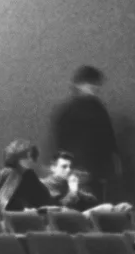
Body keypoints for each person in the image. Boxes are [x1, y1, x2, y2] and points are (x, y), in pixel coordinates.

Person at [51, 65, 119, 198]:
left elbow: (107, 137)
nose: (94, 87)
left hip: (92, 167)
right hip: (83, 167)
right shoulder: (80, 110)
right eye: (91, 83)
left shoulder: (91, 108)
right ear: (79, 84)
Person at [0, 139, 55, 213]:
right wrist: (24, 210)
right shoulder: (14, 176)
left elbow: (44, 199)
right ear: (21, 159)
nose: (35, 161)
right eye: (31, 157)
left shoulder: (3, 174)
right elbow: (1, 205)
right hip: (16, 218)